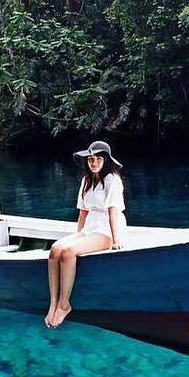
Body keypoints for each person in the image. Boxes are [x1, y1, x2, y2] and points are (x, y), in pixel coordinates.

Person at [46, 141, 126, 328]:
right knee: (56, 250)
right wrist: (78, 236)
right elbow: (83, 213)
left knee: (68, 252)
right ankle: (53, 304)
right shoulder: (86, 181)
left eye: (98, 159)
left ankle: (65, 304)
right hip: (89, 228)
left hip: (106, 230)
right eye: (91, 159)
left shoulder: (113, 180)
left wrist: (117, 240)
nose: (94, 163)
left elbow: (113, 212)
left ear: (105, 161)